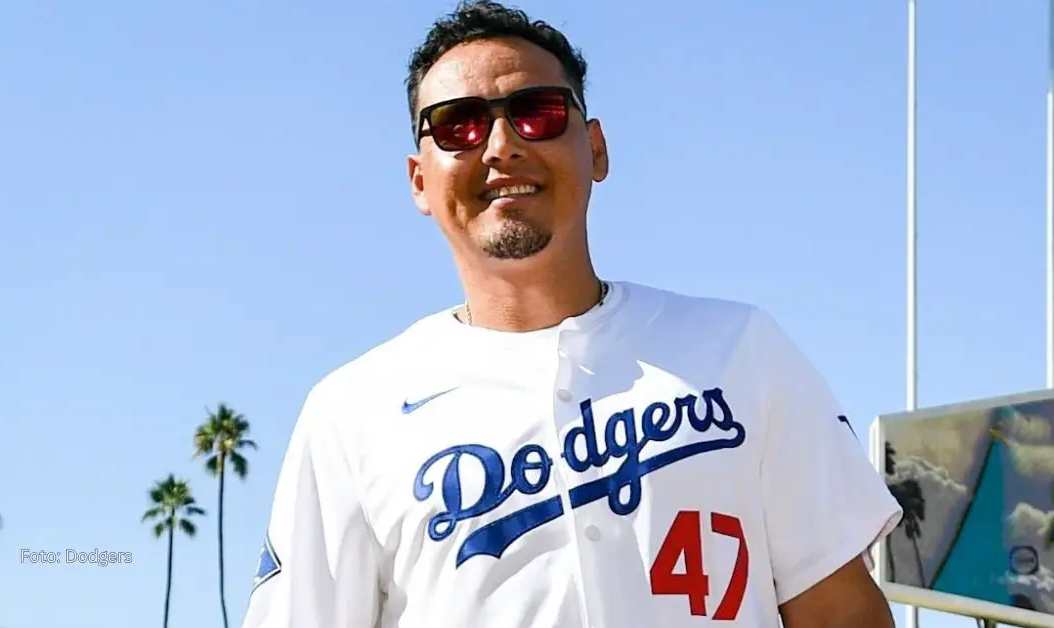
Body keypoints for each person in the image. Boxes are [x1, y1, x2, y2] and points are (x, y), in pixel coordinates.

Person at [240, 2, 902, 627]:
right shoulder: (352, 414)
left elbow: (843, 614)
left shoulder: (740, 349)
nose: (499, 145)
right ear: (420, 178)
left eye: (537, 112)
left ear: (597, 149)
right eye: (457, 124)